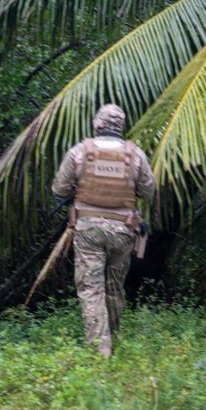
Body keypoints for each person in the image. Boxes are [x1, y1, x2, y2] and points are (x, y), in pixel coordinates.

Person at [51, 104, 155, 356]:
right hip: (123, 230)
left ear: (97, 124)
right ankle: (112, 340)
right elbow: (149, 192)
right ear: (121, 126)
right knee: (114, 287)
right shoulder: (135, 154)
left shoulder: (80, 151)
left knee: (91, 289)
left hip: (88, 230)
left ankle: (101, 352)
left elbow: (59, 189)